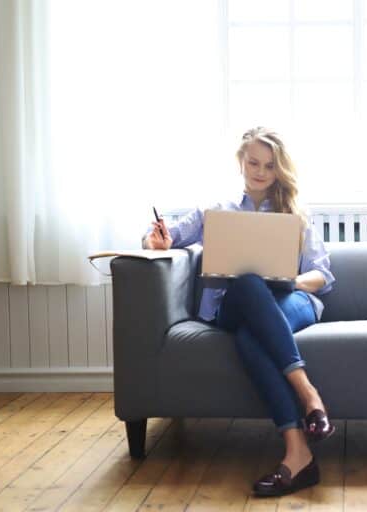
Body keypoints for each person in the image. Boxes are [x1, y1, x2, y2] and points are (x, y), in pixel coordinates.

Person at [143, 127, 335, 497]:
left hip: (288, 301)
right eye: (253, 162)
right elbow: (168, 238)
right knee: (247, 283)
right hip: (232, 305)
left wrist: (285, 281)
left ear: (279, 169)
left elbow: (322, 275)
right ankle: (309, 395)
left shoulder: (295, 213)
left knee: (252, 334)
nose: (261, 171)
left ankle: (298, 454)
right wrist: (155, 241)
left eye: (269, 165)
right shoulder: (216, 211)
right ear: (241, 161)